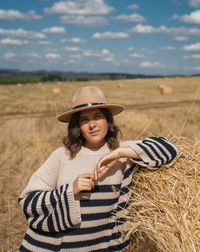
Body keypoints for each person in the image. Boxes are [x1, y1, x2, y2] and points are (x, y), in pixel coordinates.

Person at [18, 86, 178, 251]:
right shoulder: (62, 156)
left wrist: (119, 153)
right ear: (77, 126)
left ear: (108, 121)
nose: (92, 125)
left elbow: (171, 150)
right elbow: (28, 203)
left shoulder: (125, 152)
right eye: (84, 120)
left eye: (98, 117)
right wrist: (70, 191)